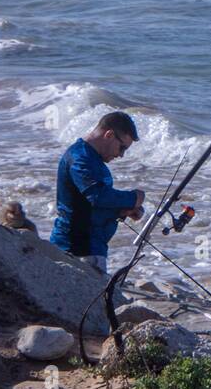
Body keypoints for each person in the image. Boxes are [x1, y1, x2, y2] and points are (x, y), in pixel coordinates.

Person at [50, 112, 144, 273]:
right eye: (122, 148)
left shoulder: (91, 158)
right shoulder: (81, 157)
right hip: (77, 249)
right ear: (109, 135)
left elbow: (86, 204)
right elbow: (97, 196)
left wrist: (121, 210)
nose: (121, 155)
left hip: (89, 247)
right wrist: (133, 198)